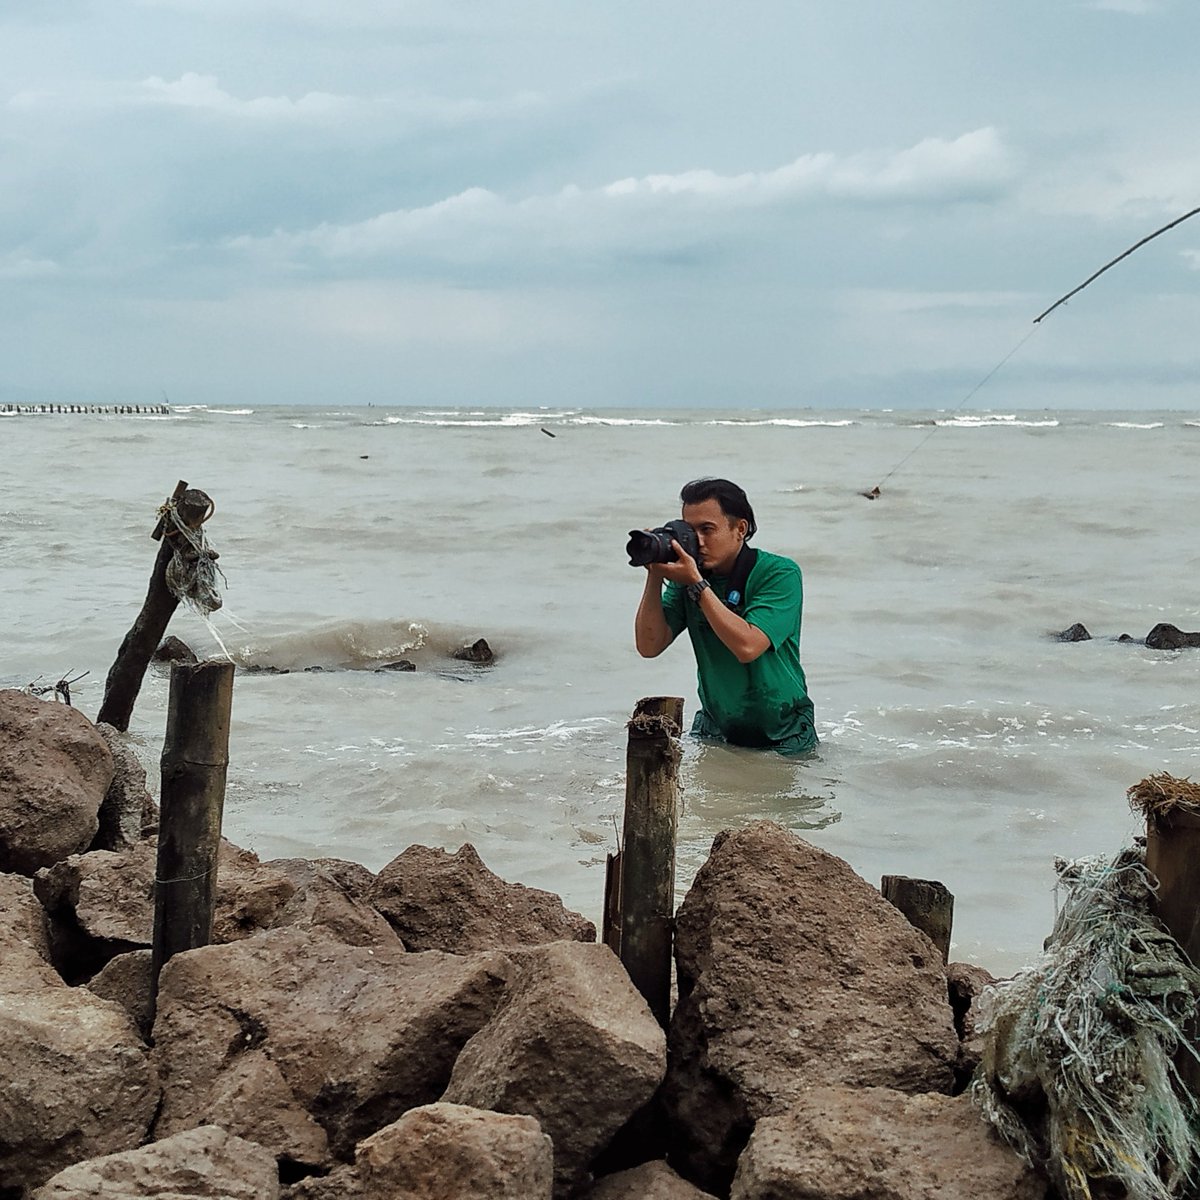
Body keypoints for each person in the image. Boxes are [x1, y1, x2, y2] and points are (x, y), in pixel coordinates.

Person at [634, 477, 817, 754]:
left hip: (784, 734)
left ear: (740, 529)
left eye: (707, 529)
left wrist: (697, 584)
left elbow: (748, 646)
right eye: (690, 530)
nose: (698, 541)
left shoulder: (779, 573)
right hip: (716, 731)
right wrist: (655, 574)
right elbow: (649, 646)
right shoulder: (688, 579)